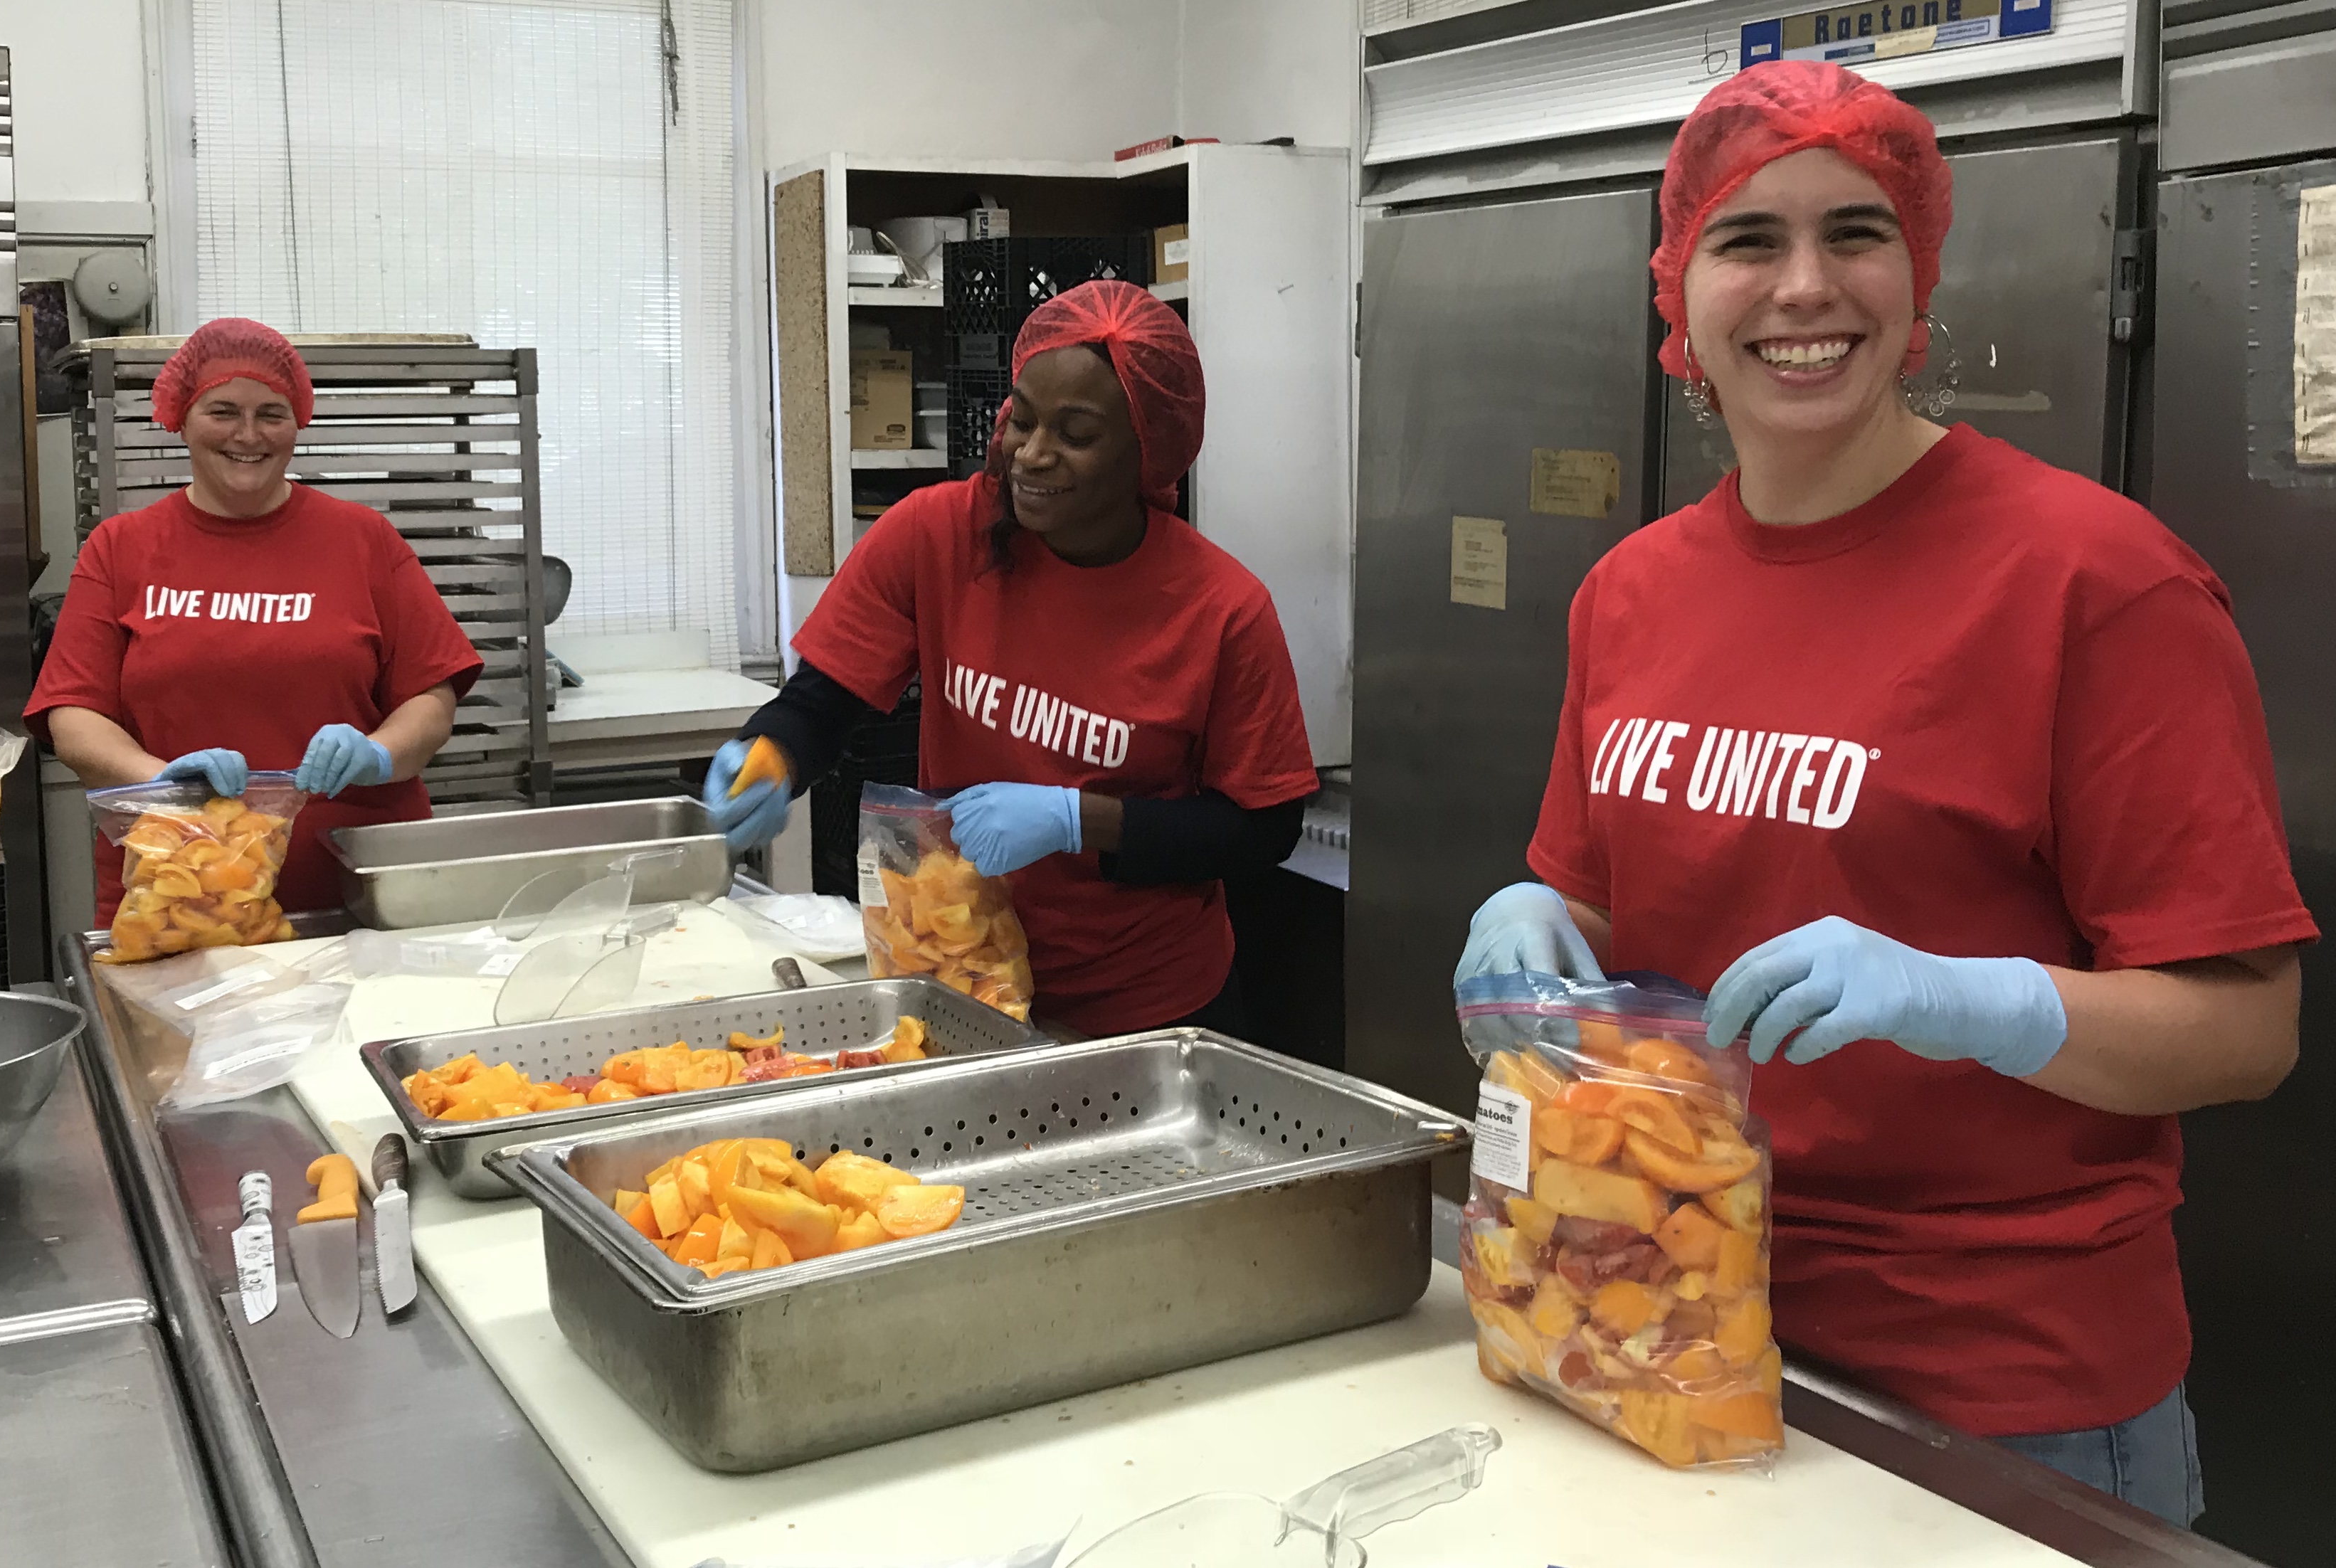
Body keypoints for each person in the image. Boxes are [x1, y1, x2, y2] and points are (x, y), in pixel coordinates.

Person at [1457, 61, 2313, 1525]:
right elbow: (1601, 907)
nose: (1805, 286)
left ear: (1917, 277)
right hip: (1655, 1315)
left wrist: (1974, 999)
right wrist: (1538, 914)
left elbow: (2246, 1029)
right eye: (1747, 240)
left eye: (1855, 233)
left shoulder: (2093, 584)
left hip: (1996, 1397)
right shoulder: (1631, 593)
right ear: (1680, 295)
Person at [705, 281, 1319, 1038]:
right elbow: (823, 702)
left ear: (1148, 451)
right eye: (1020, 419)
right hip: (955, 979)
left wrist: (1077, 820)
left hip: (1143, 1010)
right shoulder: (936, 534)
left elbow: (1261, 831)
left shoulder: (1220, 608)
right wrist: (772, 752)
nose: (1030, 453)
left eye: (1076, 433)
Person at [28, 317, 483, 921]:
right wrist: (164, 781)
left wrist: (376, 752)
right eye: (222, 411)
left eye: (271, 413)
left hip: (358, 895)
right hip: (180, 898)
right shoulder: (121, 548)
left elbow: (431, 697)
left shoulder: (363, 540)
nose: (248, 435)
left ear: (298, 422)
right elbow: (75, 719)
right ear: (180, 418)